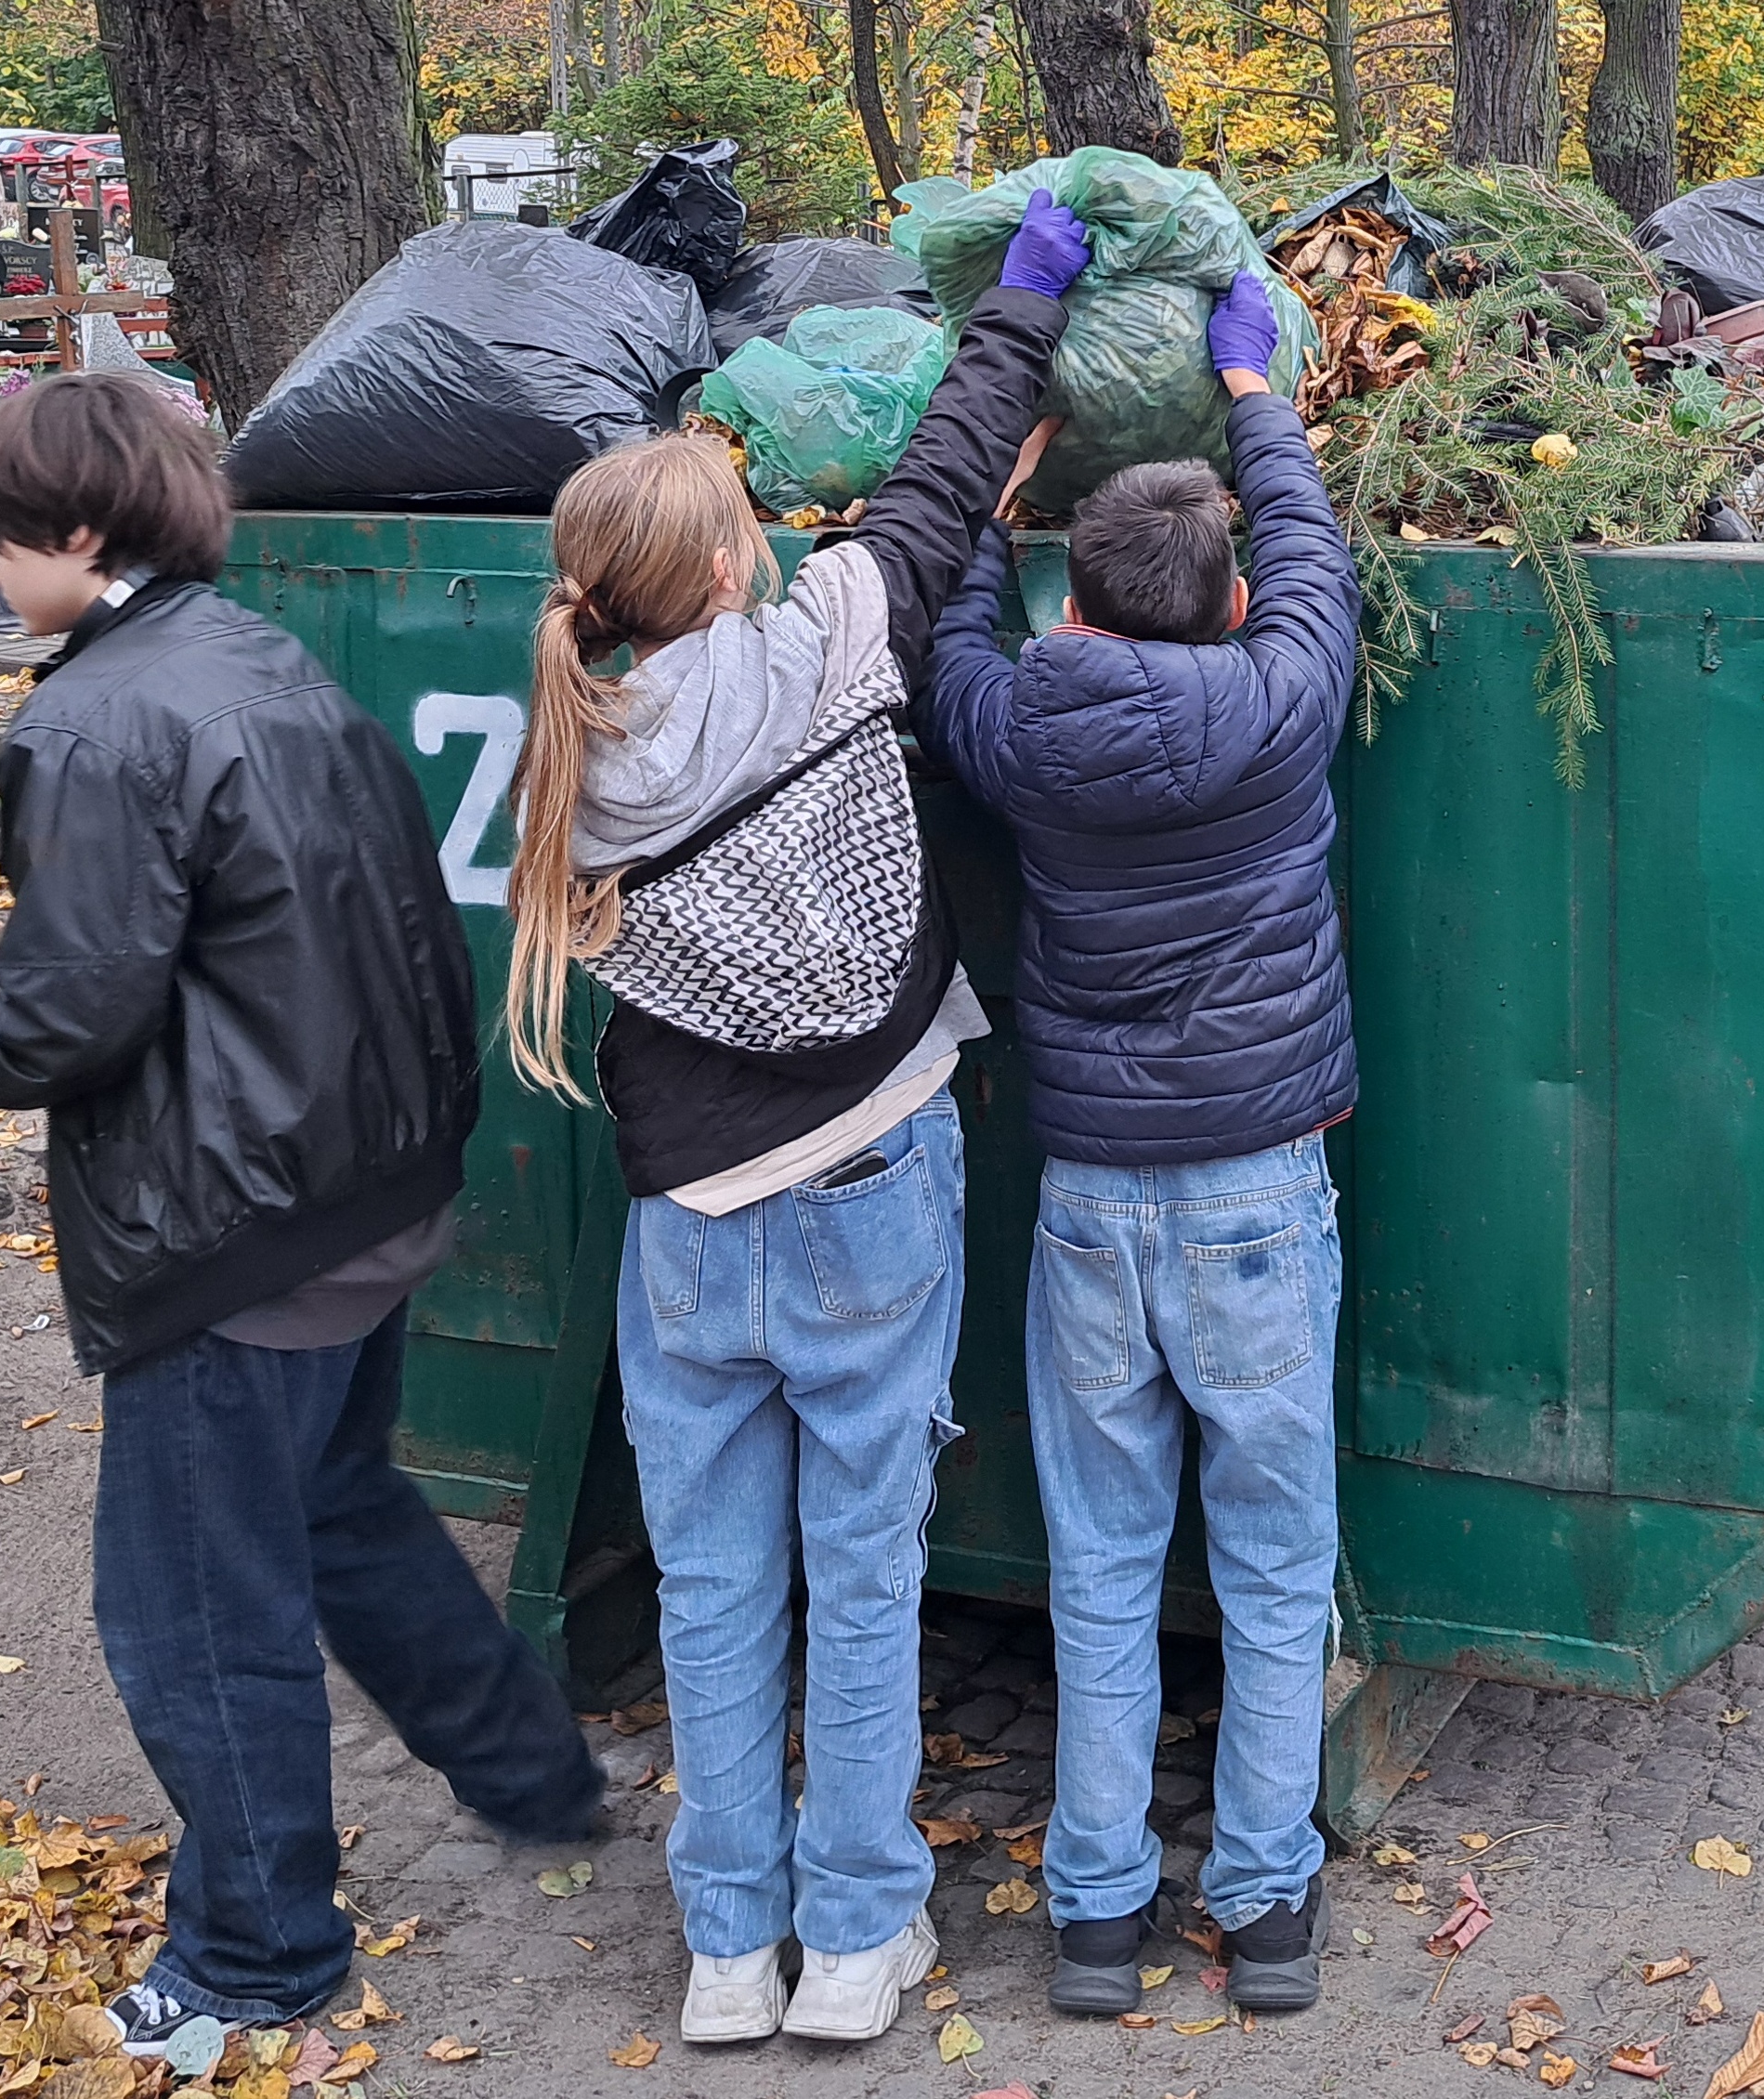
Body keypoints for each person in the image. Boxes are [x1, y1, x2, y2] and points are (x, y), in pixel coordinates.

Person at [0, 373, 605, 2056]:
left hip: (229, 1231)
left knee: (192, 1613)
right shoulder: (264, 659)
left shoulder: (93, 725)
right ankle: (534, 1775)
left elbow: (70, 1015)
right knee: (342, 1507)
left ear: (81, 530)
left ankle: (256, 1955)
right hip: (361, 1185)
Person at [493, 194, 1089, 2047]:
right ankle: (857, 1938)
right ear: (740, 550)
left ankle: (726, 1948)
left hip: (688, 1219)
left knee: (717, 1588)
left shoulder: (567, 755)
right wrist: (1029, 296)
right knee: (866, 1565)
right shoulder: (830, 637)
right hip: (871, 1182)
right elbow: (950, 474)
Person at [922, 271, 1356, 2019]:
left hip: (1093, 1203)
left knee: (1099, 1566)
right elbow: (1316, 557)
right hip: (1256, 1192)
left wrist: (985, 509)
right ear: (1233, 600)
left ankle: (1094, 1921)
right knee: (1269, 1562)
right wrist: (1253, 386)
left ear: (1077, 605)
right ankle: (1265, 1917)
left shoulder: (1024, 722)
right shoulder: (1279, 704)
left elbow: (946, 645)